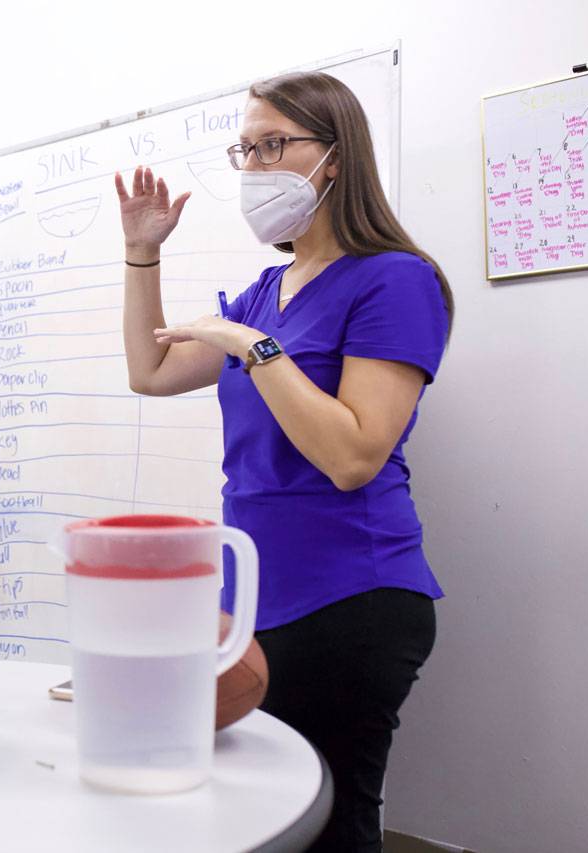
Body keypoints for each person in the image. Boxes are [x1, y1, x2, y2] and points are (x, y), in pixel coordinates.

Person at [116, 72, 452, 852]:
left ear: (333, 158)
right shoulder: (267, 290)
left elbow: (353, 455)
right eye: (247, 149)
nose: (257, 166)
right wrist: (141, 255)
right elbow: (152, 372)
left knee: (331, 822)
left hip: (353, 595)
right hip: (257, 599)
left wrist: (252, 346)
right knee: (257, 816)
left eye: (276, 145)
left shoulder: (396, 279)